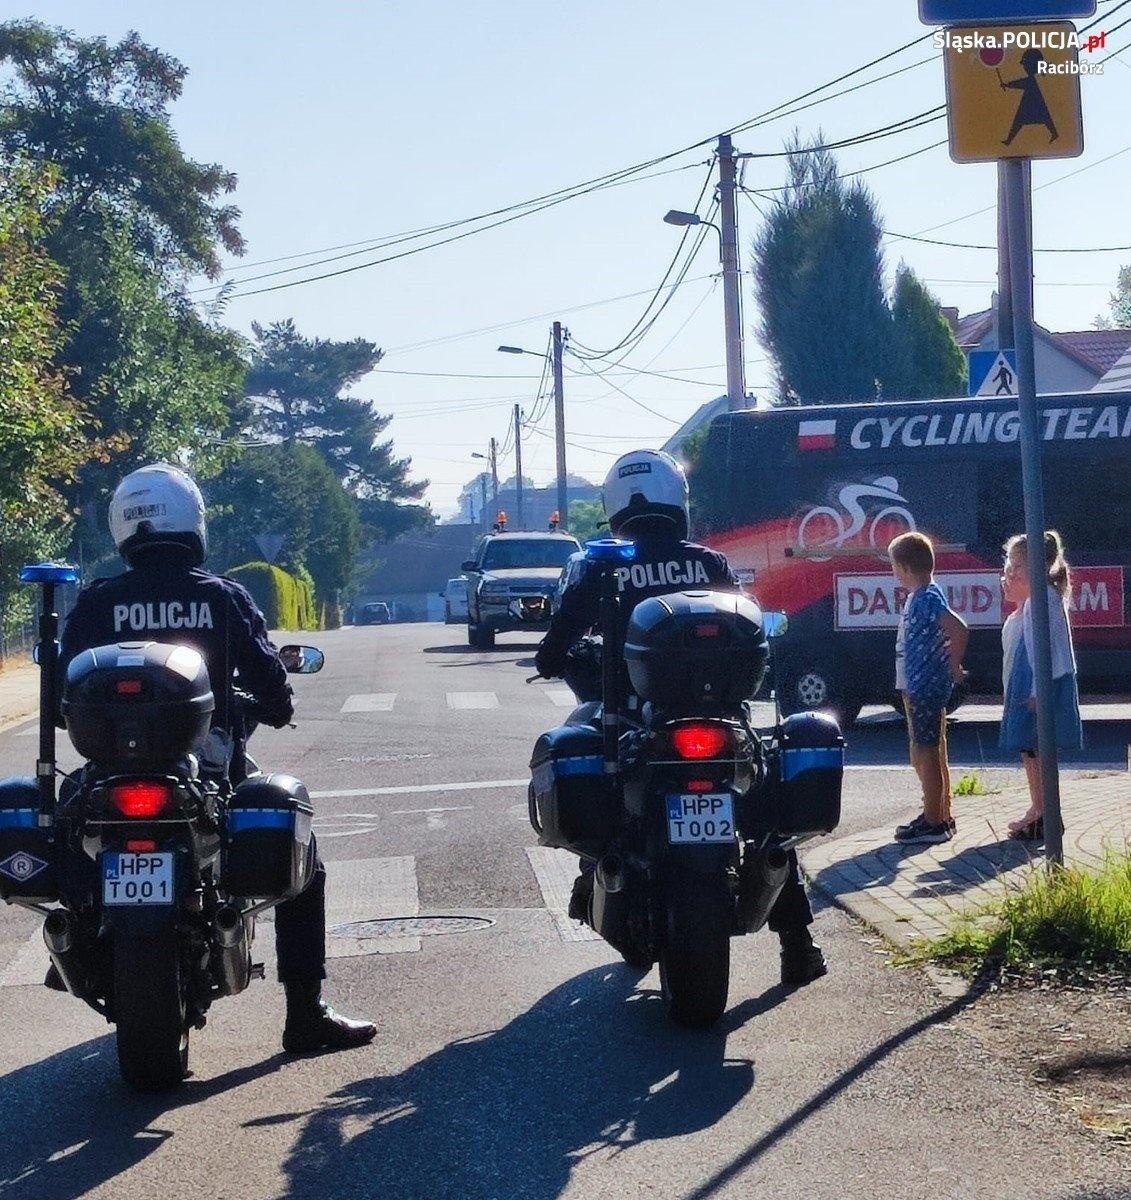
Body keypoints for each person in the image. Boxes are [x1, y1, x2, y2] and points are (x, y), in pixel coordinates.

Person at [59, 463, 376, 1055]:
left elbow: (61, 692)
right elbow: (273, 686)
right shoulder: (221, 596)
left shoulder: (100, 601)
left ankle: (72, 942)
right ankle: (305, 1012)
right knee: (302, 863)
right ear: (192, 522)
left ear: (123, 528)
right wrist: (276, 705)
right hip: (208, 770)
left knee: (68, 827)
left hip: (111, 772)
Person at [534, 449, 827, 988]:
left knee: (594, 774)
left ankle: (596, 872)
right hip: (719, 718)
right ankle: (798, 944)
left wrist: (555, 659)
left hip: (632, 719)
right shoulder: (709, 563)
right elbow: (747, 630)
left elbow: (555, 647)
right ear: (676, 499)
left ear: (615, 503)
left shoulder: (600, 565)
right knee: (763, 818)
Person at [999, 531, 1083, 841]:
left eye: (1018, 564)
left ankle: (1045, 812)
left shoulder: (1041, 600)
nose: (1011, 570)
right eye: (1010, 563)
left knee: (1037, 748)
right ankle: (1039, 809)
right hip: (1035, 681)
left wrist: (1037, 691)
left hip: (1040, 683)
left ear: (1040, 565)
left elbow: (1042, 651)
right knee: (1030, 748)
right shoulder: (1037, 599)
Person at [889, 532, 969, 846]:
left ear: (906, 567)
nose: (892, 572)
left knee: (926, 752)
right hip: (916, 686)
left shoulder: (927, 597)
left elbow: (958, 629)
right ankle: (939, 813)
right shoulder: (919, 597)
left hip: (926, 686)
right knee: (926, 751)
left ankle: (934, 822)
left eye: (894, 566)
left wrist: (954, 664)